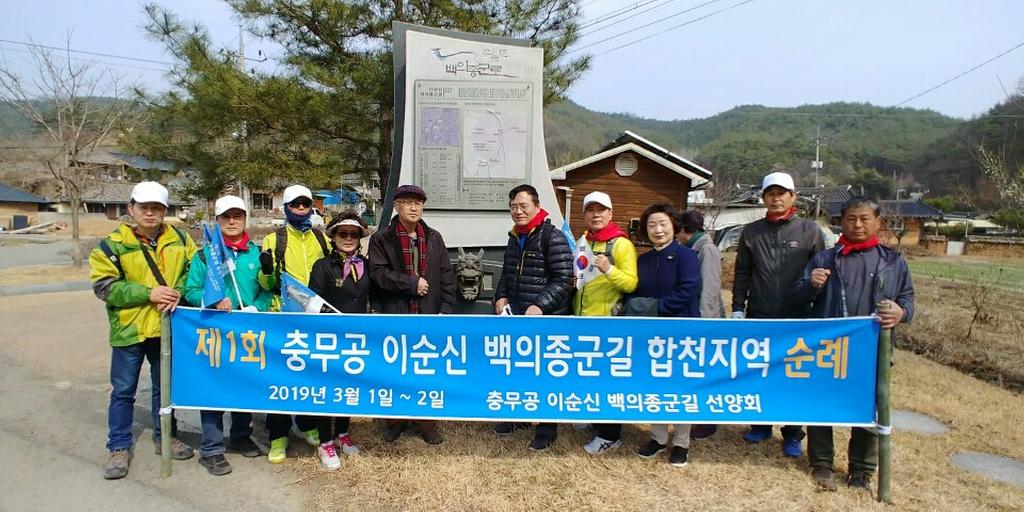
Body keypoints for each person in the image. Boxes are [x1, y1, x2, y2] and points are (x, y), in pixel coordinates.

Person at [793, 197, 915, 493]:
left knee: (867, 408)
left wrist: (901, 312)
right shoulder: (825, 259)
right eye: (851, 219)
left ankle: (861, 471)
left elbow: (907, 300)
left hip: (871, 350)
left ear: (877, 222)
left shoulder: (893, 261)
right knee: (822, 405)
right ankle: (821, 462)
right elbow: (797, 299)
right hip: (828, 349)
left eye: (864, 219)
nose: (857, 225)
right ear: (841, 222)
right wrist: (811, 285)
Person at [89, 181, 197, 479]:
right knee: (124, 390)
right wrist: (148, 293)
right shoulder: (112, 245)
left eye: (157, 208)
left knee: (165, 387)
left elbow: (193, 271)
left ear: (165, 210)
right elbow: (105, 287)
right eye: (144, 207)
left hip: (167, 326)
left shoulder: (180, 239)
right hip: (130, 329)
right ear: (131, 208)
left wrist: (177, 292)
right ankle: (119, 447)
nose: (150, 213)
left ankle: (166, 436)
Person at [731, 172, 824, 458]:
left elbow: (822, 273)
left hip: (799, 317)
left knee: (795, 375)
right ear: (763, 197)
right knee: (761, 372)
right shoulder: (752, 232)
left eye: (782, 192)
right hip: (760, 314)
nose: (776, 198)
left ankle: (793, 433)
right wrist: (737, 308)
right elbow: (742, 274)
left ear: (793, 196)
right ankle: (760, 425)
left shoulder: (810, 231)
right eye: (770, 193)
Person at [183, 195, 271, 475]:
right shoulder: (205, 254)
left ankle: (241, 435)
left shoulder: (256, 254)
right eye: (226, 217)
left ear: (245, 219)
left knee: (243, 384)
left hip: (247, 333)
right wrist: (213, 300)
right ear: (217, 221)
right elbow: (191, 289)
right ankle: (212, 448)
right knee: (214, 389)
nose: (232, 222)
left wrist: (259, 306)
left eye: (237, 216)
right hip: (214, 333)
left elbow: (267, 290)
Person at [368, 184, 456, 444]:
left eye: (418, 203)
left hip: (428, 315)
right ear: (396, 205)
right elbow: (378, 275)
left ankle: (426, 422)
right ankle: (395, 420)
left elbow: (446, 277)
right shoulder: (381, 239)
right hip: (396, 316)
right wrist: (411, 283)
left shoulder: (434, 237)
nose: (414, 207)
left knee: (427, 370)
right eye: (408, 202)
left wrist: (446, 311)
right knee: (395, 370)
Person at [490, 184, 574, 451]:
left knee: (545, 375)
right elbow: (507, 272)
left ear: (537, 206)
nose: (518, 211)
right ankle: (520, 418)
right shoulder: (515, 236)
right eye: (513, 206)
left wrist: (540, 305)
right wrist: (500, 297)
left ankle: (547, 429)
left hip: (545, 319)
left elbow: (564, 279)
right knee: (518, 370)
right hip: (518, 317)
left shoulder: (552, 236)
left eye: (523, 206)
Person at [257, 184, 332, 463]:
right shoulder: (274, 239)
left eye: (305, 204)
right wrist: (266, 269)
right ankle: (278, 435)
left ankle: (307, 424)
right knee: (281, 376)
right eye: (295, 205)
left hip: (313, 318)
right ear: (286, 208)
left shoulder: (320, 239)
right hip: (284, 318)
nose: (301, 209)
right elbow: (266, 285)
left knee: (311, 373)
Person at [628, 203, 702, 466]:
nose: (657, 230)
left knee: (682, 386)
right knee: (655, 384)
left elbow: (688, 291)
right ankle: (658, 437)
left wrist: (656, 307)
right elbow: (635, 292)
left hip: (682, 330)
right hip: (652, 334)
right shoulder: (644, 259)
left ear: (673, 226)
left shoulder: (687, 256)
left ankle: (682, 441)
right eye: (651, 225)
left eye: (662, 224)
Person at [574, 191, 638, 455]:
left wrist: (608, 269)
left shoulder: (622, 245)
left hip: (609, 324)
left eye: (601, 210)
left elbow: (631, 282)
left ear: (610, 214)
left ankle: (611, 434)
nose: (596, 214)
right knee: (589, 375)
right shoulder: (583, 241)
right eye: (591, 210)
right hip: (582, 320)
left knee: (609, 380)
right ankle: (594, 417)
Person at [308, 212, 372, 470]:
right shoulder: (322, 266)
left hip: (356, 338)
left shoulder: (366, 265)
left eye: (353, 234)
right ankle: (325, 441)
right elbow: (312, 300)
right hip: (328, 337)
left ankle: (342, 433)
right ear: (333, 237)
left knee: (348, 387)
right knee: (327, 389)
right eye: (342, 234)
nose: (348, 238)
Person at [676, 210, 724, 441]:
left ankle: (708, 422)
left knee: (705, 373)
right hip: (694, 318)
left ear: (686, 230)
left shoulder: (707, 249)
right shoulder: (694, 249)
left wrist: (704, 324)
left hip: (706, 321)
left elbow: (710, 291)